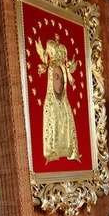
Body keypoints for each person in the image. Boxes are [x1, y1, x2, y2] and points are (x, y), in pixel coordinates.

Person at [37, 34, 80, 163]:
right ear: (50, 79)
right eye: (56, 78)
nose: (60, 83)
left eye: (62, 79)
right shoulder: (49, 106)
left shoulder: (67, 108)